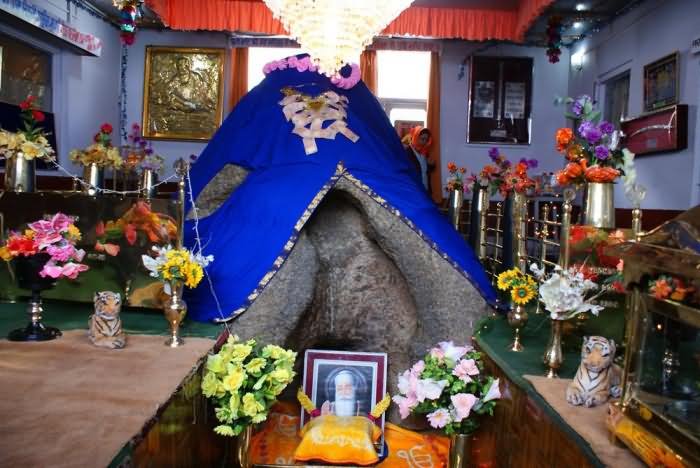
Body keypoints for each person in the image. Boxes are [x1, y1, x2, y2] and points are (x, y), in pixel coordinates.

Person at [404, 126, 435, 193]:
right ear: (415, 137)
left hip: (425, 188)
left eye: (426, 140)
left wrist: (431, 165)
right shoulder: (407, 152)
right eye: (422, 139)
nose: (424, 142)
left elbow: (425, 170)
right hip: (414, 189)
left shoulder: (425, 152)